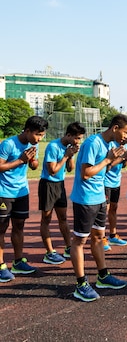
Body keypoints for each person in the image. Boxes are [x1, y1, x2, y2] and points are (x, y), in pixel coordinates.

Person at [69, 114, 127, 302]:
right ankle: (81, 284)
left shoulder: (108, 145)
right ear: (115, 128)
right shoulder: (93, 143)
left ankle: (103, 275)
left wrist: (117, 160)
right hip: (85, 199)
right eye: (125, 132)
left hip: (98, 198)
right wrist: (107, 160)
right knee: (79, 241)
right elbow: (86, 173)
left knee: (98, 237)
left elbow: (103, 169)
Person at [0, 116, 48, 282]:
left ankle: (18, 261)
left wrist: (32, 160)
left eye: (42, 136)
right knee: (2, 228)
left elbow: (34, 166)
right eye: (37, 135)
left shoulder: (32, 145)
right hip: (4, 192)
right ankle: (0, 266)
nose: (39, 139)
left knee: (19, 226)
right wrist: (21, 159)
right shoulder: (8, 144)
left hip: (22, 192)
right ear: (27, 131)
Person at [39, 122, 86, 265]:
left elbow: (70, 169)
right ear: (68, 135)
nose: (78, 141)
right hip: (48, 184)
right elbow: (52, 170)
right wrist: (66, 155)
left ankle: (68, 247)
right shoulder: (53, 146)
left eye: (80, 139)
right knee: (46, 219)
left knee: (63, 218)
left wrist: (71, 156)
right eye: (77, 138)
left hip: (60, 185)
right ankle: (49, 252)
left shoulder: (68, 148)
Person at [103, 127, 127, 250]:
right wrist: (122, 157)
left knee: (114, 209)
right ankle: (102, 238)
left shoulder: (126, 146)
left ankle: (113, 234)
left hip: (116, 182)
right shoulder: (112, 144)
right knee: (104, 211)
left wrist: (125, 158)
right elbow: (108, 164)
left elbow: (123, 165)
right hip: (106, 181)